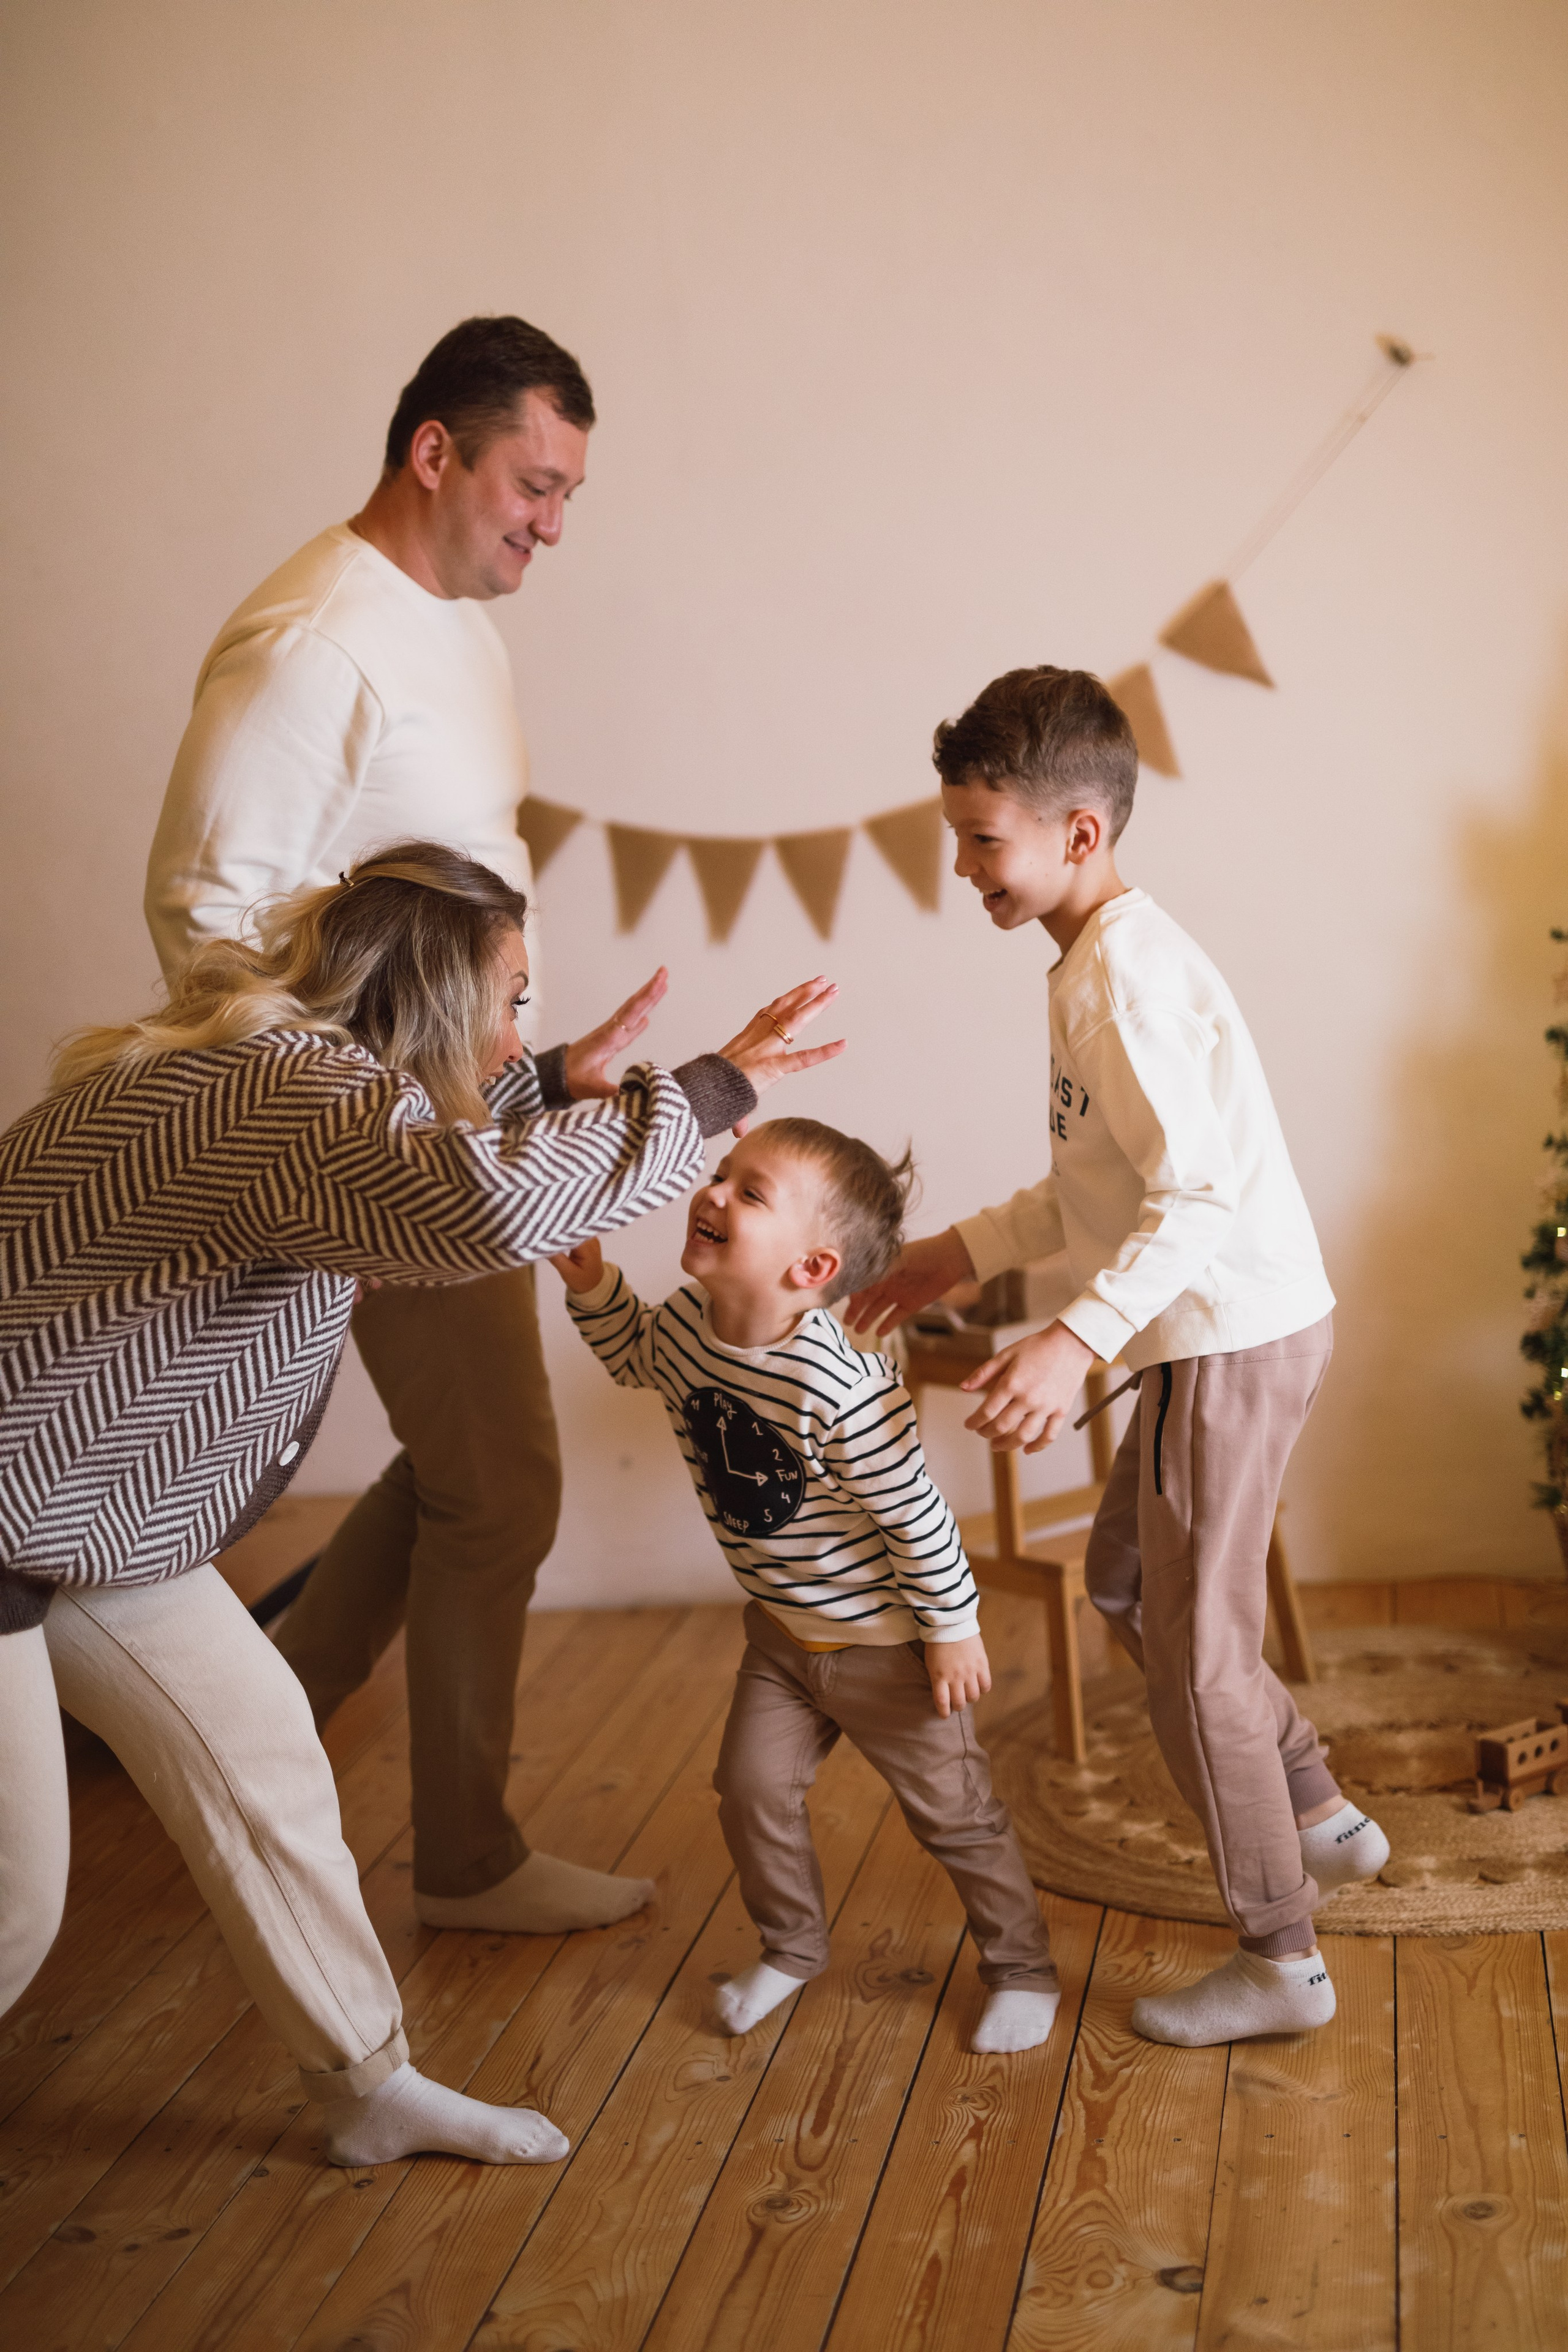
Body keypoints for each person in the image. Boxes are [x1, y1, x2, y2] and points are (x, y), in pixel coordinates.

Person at [0, 841, 842, 2164]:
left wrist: (551, 1076)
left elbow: (417, 1155)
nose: (517, 1028)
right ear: (443, 998)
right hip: (23, 1512)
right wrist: (712, 1090)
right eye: (510, 1000)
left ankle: (363, 2086)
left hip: (77, 1520)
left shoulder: (296, 1080)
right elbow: (472, 1192)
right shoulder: (279, 1092)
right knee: (14, 1909)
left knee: (263, 1756)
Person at [143, 314, 654, 1934]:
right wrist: (340, 1159)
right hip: (386, 1147)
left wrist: (513, 1078)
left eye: (570, 495)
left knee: (469, 1471)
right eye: (535, 482)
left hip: (462, 1117)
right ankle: (464, 1862)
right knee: (500, 1486)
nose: (551, 524)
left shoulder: (457, 629)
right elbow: (207, 915)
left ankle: (237, 1751)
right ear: (435, 448)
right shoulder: (314, 638)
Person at [846, 667, 1389, 2049]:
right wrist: (956, 1254)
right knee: (1128, 1585)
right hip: (1209, 1336)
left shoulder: (1121, 983)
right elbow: (1089, 1189)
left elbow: (1192, 1199)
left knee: (1198, 1663)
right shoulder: (1092, 966)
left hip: (1228, 1337)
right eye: (956, 836)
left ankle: (1280, 1959)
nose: (961, 867)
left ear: (1077, 835)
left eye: (983, 839)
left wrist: (1067, 1342)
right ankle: (1315, 1810)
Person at [553, 1118, 1060, 2056]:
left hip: (890, 1651)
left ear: (812, 1268)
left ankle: (1022, 1968)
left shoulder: (840, 1384)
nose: (713, 1194)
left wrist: (952, 1628)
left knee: (957, 1818)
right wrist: (590, 1280)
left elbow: (916, 1511)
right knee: (748, 1790)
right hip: (783, 1642)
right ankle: (791, 1948)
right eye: (721, 1175)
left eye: (751, 1195)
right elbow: (635, 1355)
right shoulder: (687, 1327)